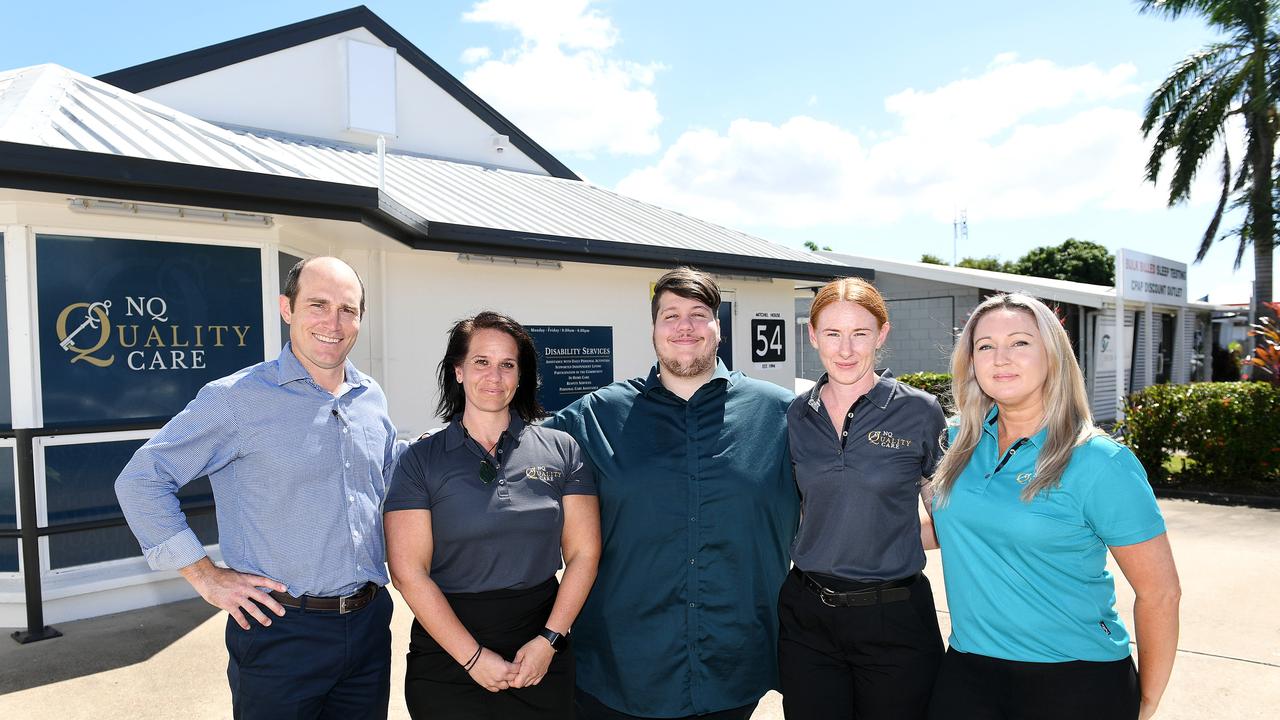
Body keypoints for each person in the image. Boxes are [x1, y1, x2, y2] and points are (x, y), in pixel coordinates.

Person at [115, 256, 402, 719]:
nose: (333, 322)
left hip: (369, 626)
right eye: (318, 305)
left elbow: (389, 477)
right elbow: (142, 479)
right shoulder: (236, 399)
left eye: (348, 309)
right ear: (286, 309)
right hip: (280, 633)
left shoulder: (370, 397)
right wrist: (205, 576)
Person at [545, 267, 800, 720]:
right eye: (671, 315)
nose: (685, 326)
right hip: (618, 668)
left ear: (719, 327)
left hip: (732, 666)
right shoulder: (597, 414)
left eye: (699, 314)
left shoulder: (781, 414)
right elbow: (513, 452)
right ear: (654, 329)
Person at [927, 293, 1181, 720]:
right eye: (985, 346)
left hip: (1075, 681)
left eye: (1020, 343)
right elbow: (950, 528)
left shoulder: (1100, 461)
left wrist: (1147, 701)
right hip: (968, 672)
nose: (1000, 358)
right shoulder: (957, 445)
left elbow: (1161, 593)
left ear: (1053, 355)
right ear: (971, 363)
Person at [384, 311, 601, 719]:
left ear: (522, 375)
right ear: (459, 371)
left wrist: (549, 640)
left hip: (539, 650)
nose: (494, 376)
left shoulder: (562, 450)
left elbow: (584, 555)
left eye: (508, 364)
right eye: (481, 362)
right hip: (448, 653)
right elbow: (408, 571)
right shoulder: (420, 460)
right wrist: (473, 658)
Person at [778, 277, 946, 719]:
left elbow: (949, 517)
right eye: (832, 334)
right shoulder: (796, 414)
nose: (845, 349)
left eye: (860, 333)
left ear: (882, 334)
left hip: (894, 617)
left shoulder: (920, 412)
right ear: (812, 335)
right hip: (808, 616)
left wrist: (891, 540)